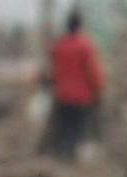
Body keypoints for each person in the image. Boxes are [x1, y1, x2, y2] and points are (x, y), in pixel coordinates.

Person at [45, 9, 103, 161]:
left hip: (62, 96)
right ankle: (70, 161)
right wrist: (97, 93)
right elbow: (94, 74)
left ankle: (62, 158)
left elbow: (53, 72)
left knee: (64, 130)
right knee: (78, 131)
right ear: (80, 25)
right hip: (81, 98)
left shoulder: (58, 46)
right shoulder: (86, 46)